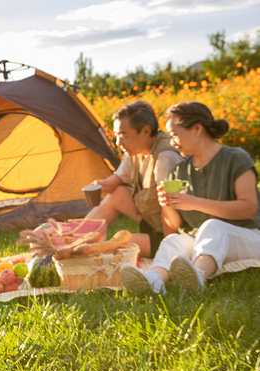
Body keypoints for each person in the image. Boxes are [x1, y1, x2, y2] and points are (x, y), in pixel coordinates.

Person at [120, 101, 260, 295]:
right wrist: (167, 205)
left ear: (197, 129)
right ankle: (154, 279)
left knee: (213, 226)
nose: (171, 142)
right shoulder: (180, 169)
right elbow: (173, 228)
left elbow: (249, 208)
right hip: (203, 244)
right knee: (175, 241)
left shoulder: (235, 158)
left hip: (247, 237)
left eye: (175, 134)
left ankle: (198, 276)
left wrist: (194, 202)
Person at [86, 101, 182, 257]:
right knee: (118, 193)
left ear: (145, 131)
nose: (119, 143)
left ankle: (87, 251)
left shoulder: (165, 157)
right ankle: (80, 240)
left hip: (170, 231)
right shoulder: (135, 149)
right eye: (117, 135)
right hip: (150, 218)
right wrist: (102, 185)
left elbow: (171, 207)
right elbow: (117, 180)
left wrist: (170, 249)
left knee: (116, 246)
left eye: (123, 135)